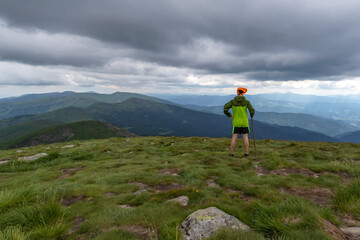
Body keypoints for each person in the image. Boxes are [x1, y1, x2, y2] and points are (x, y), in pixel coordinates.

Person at [224, 87, 255, 157]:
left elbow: (225, 108)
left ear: (237, 93)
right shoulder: (246, 102)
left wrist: (229, 115)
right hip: (244, 122)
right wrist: (252, 115)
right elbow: (252, 110)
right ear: (243, 93)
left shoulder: (232, 101)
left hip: (236, 122)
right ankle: (246, 153)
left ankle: (231, 153)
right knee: (245, 137)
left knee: (234, 137)